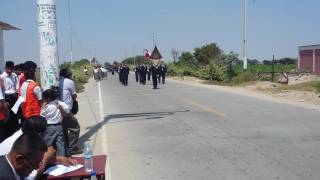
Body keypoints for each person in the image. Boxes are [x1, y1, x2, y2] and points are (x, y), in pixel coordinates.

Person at [59, 68, 81, 155]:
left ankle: (66, 147)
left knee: (64, 129)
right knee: (75, 127)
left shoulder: (57, 81)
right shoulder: (69, 82)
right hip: (66, 109)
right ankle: (71, 148)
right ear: (68, 75)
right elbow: (74, 95)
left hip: (56, 109)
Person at [41, 89, 69, 156]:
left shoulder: (47, 107)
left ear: (48, 98)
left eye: (44, 98)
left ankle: (46, 159)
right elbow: (67, 110)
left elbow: (41, 116)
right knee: (60, 144)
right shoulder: (59, 103)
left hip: (49, 127)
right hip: (59, 126)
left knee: (47, 144)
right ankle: (62, 159)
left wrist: (42, 107)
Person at [0, 61, 20, 138]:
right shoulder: (2, 76)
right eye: (9, 69)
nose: (10, 71)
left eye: (11, 69)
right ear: (5, 68)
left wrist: (17, 93)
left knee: (15, 114)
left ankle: (15, 132)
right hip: (6, 96)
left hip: (14, 96)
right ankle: (7, 133)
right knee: (7, 115)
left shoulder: (14, 75)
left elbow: (17, 85)